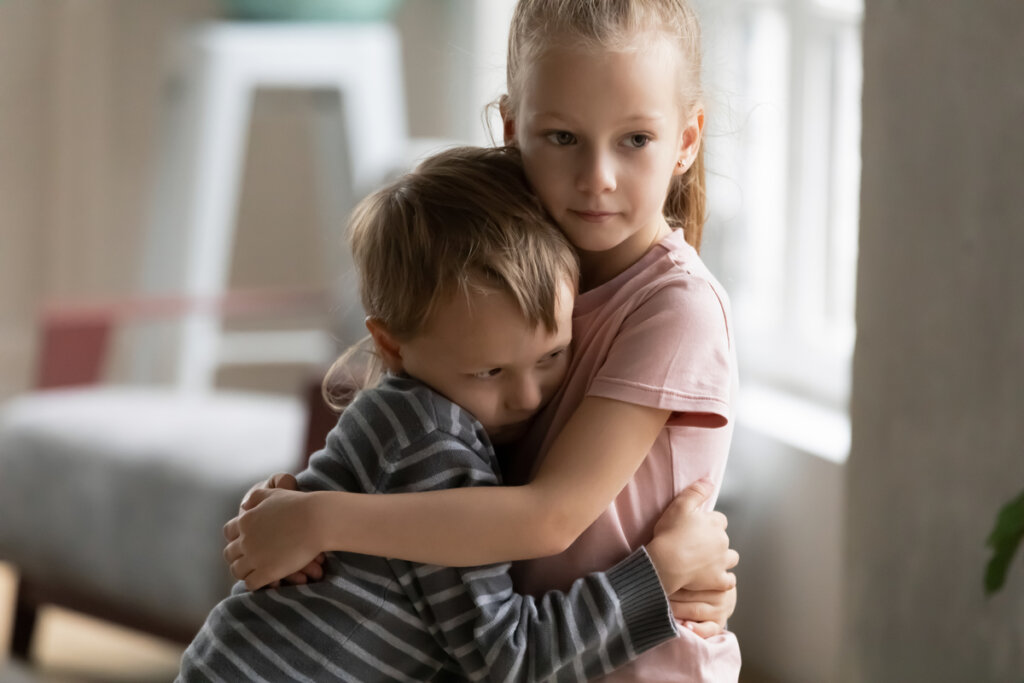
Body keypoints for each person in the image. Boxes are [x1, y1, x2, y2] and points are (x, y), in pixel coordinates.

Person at [226, 0, 743, 678]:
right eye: (562, 137)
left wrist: (322, 519)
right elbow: (430, 432)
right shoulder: (512, 274)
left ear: (687, 139)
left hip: (628, 664)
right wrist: (299, 498)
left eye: (635, 139)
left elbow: (551, 516)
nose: (597, 177)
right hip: (518, 650)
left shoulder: (678, 310)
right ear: (511, 130)